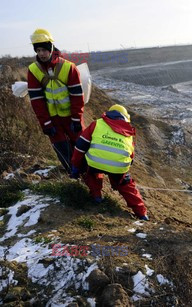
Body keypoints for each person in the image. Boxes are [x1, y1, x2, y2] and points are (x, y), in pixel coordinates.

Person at [70, 105, 148, 221]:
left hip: (95, 163)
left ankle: (96, 197)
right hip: (119, 167)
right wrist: (118, 176)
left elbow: (80, 147)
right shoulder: (129, 132)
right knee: (126, 185)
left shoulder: (97, 124)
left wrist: (75, 167)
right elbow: (131, 157)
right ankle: (142, 214)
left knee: (91, 170)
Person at [27, 28, 85, 172]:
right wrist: (45, 123)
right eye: (38, 50)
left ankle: (91, 184)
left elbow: (77, 96)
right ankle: (73, 180)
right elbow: (37, 100)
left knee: (82, 151)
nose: (41, 53)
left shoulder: (68, 67)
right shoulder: (33, 70)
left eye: (44, 49)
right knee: (63, 153)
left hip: (71, 119)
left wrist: (77, 120)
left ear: (51, 48)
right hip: (52, 120)